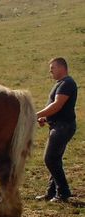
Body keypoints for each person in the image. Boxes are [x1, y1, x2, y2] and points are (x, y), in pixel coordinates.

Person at [35, 57, 77, 202]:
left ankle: (63, 193)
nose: (50, 70)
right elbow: (58, 109)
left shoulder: (67, 83)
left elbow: (57, 105)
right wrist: (45, 119)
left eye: (52, 67)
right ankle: (51, 193)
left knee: (50, 159)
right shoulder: (62, 83)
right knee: (55, 159)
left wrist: (36, 115)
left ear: (61, 68)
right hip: (59, 125)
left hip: (63, 127)